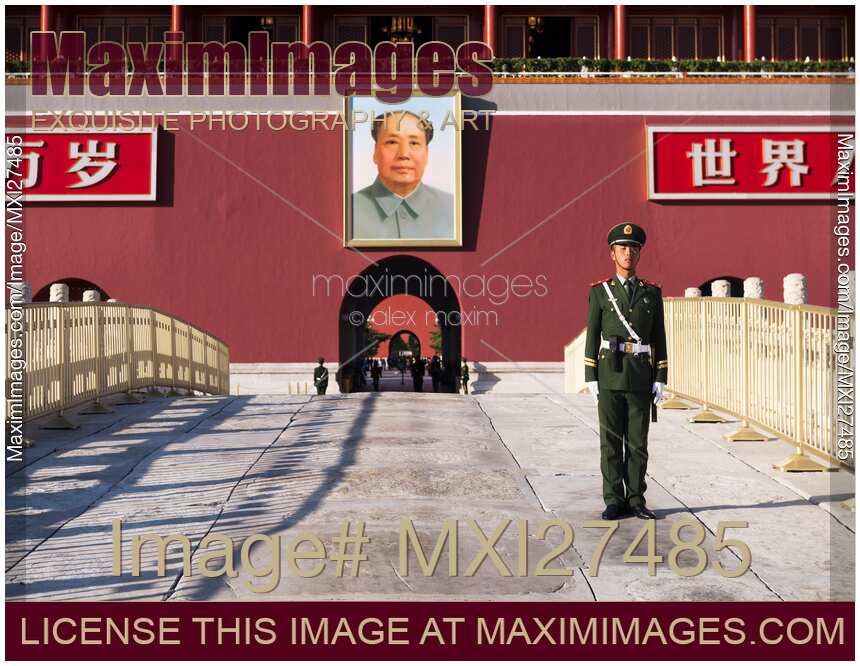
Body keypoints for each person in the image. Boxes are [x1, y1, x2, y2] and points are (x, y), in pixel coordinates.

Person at [584, 222, 667, 521]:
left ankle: (636, 499)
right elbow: (592, 335)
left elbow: (659, 338)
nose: (628, 253)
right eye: (622, 248)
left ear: (639, 253)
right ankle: (613, 500)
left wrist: (661, 377)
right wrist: (591, 376)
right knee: (610, 443)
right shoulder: (600, 292)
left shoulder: (651, 293)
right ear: (612, 254)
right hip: (609, 375)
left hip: (640, 376)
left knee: (637, 444)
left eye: (633, 248)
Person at [352, 111, 454, 240]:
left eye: (414, 143)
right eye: (392, 142)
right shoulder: (347, 209)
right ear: (375, 152)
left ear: (427, 154)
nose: (404, 154)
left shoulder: (453, 208)